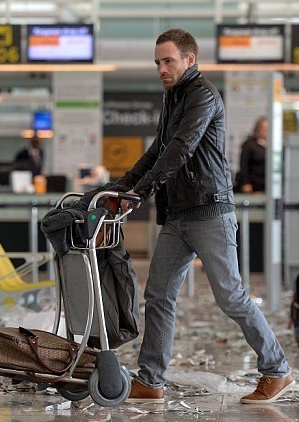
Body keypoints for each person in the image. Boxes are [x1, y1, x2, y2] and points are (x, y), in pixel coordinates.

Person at [117, 28, 294, 404]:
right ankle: (151, 379)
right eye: (157, 62)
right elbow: (157, 151)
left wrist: (141, 192)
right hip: (177, 214)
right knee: (158, 295)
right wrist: (120, 187)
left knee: (230, 296)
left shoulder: (203, 95)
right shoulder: (173, 98)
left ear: (189, 59)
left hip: (209, 211)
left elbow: (180, 149)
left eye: (168, 61)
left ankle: (277, 370)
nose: (161, 69)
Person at [236, 116, 268, 193]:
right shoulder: (249, 144)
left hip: (267, 184)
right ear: (258, 129)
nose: (266, 131)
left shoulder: (274, 146)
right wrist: (246, 183)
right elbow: (243, 165)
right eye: (264, 128)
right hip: (253, 185)